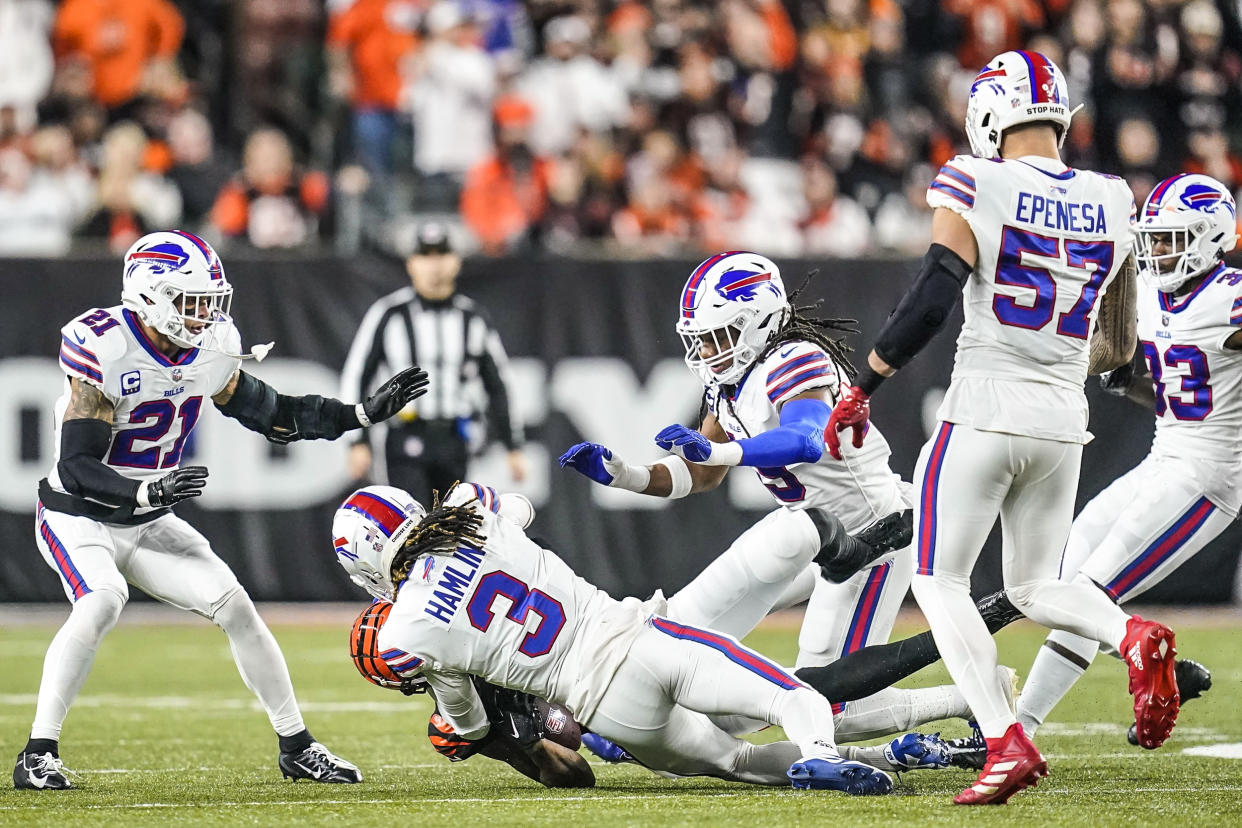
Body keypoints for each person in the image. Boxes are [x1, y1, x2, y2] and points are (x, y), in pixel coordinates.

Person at [823, 50, 1180, 805]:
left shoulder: (974, 177)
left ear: (990, 111)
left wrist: (865, 385)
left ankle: (1002, 739)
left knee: (939, 580)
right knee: (1034, 584)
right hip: (1062, 415)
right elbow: (1115, 343)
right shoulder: (1114, 196)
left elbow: (931, 296)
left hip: (986, 401)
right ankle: (1132, 637)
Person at [15, 230, 430, 790]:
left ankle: (297, 746)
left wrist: (359, 414)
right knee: (103, 601)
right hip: (77, 512)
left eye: (211, 301)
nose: (205, 313)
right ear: (151, 295)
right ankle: (37, 753)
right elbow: (75, 466)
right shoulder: (106, 345)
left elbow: (275, 414)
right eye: (191, 301)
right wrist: (146, 493)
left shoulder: (209, 349)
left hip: (147, 518)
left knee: (236, 606)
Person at [560, 251, 993, 745]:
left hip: (870, 538)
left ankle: (972, 697)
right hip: (806, 532)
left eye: (717, 336)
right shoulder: (726, 383)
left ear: (758, 320)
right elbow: (702, 474)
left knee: (829, 705)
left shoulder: (795, 358)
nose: (706, 351)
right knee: (679, 633)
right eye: (699, 339)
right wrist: (628, 475)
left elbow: (806, 437)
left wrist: (725, 450)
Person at [330, 482, 895, 794]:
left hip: (603, 708)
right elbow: (521, 508)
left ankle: (876, 758)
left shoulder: (404, 632)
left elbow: (469, 725)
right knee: (786, 695)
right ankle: (824, 752)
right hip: (634, 637)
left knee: (738, 761)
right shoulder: (469, 510)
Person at [1015, 173, 1238, 741]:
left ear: (1213, 237)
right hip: (1165, 457)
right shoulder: (1154, 293)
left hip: (1209, 476)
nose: (1159, 251)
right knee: (1064, 586)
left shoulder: (1231, 296)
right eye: (1155, 239)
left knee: (1089, 592)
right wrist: (1128, 381)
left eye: (1172, 239)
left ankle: (1014, 731)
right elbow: (1171, 394)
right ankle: (1160, 668)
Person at [341, 221, 526, 505]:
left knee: (451, 532)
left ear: (456, 262)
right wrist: (357, 440)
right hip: (405, 435)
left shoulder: (473, 318)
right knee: (411, 529)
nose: (434, 265)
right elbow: (357, 376)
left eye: (442, 255)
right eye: (426, 256)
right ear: (412, 263)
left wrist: (513, 445)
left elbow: (498, 383)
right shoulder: (389, 314)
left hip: (454, 438)